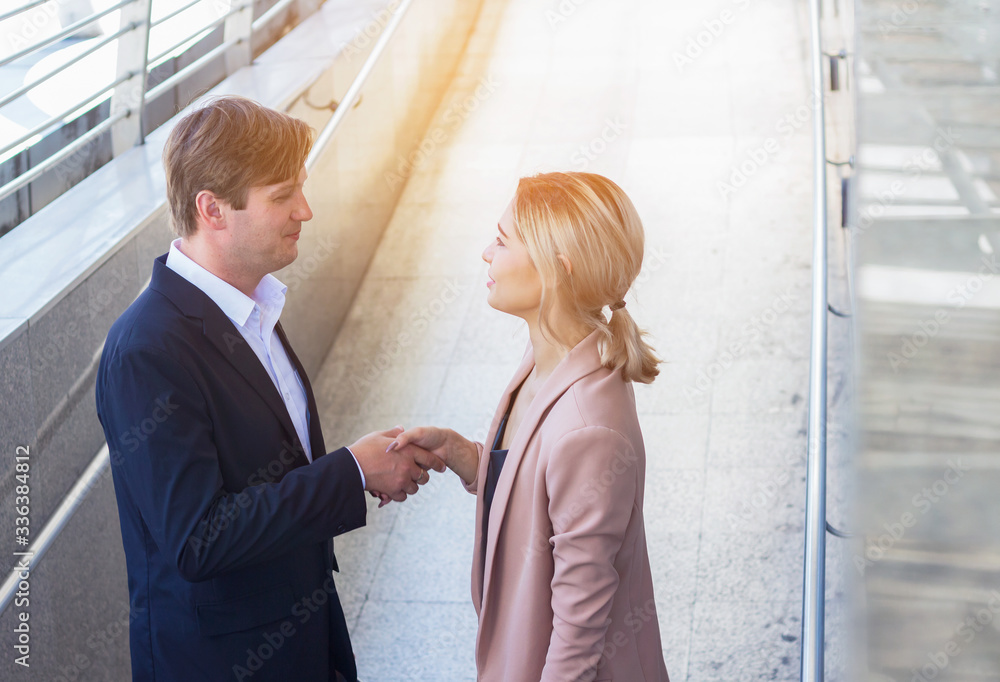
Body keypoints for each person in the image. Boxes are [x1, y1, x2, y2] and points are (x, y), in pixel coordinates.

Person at [94, 96, 443, 682]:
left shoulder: (252, 305)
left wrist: (360, 466)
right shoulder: (146, 349)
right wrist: (350, 473)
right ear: (213, 210)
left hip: (303, 638)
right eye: (282, 196)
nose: (304, 210)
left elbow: (267, 477)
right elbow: (197, 540)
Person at [391, 171, 670, 681]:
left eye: (502, 241)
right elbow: (539, 484)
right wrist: (466, 456)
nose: (485, 253)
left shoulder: (589, 429)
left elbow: (579, 624)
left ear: (555, 271)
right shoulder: (549, 358)